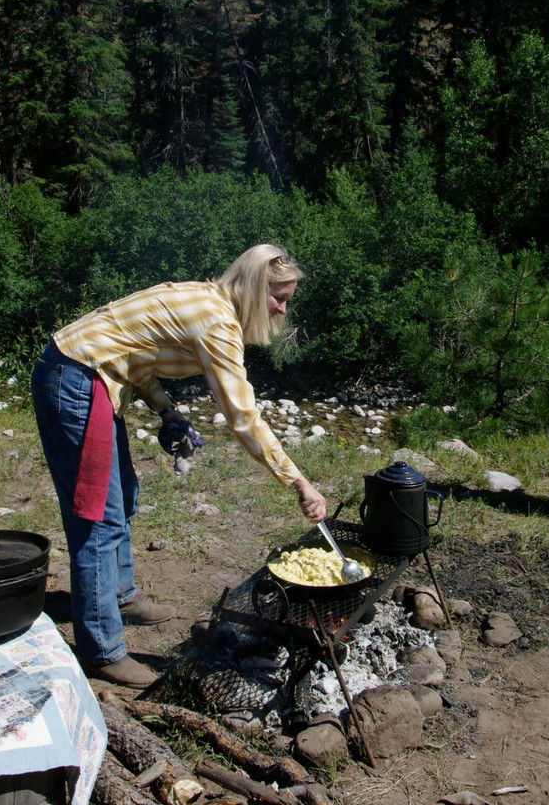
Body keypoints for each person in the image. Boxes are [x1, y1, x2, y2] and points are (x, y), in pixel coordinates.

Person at [30, 244, 328, 688]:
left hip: (90, 374)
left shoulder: (204, 298)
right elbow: (244, 418)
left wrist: (165, 409)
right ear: (253, 287)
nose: (282, 309)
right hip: (76, 379)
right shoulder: (216, 321)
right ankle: (101, 651)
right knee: (96, 519)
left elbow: (130, 352)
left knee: (123, 498)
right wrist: (298, 480)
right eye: (278, 298)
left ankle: (120, 597)